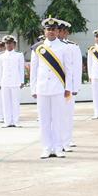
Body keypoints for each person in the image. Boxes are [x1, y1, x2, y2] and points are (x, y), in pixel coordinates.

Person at [31, 19, 71, 158]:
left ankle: (58, 147)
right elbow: (34, 70)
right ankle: (47, 148)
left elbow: (68, 69)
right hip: (42, 88)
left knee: (58, 119)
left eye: (53, 29)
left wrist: (68, 88)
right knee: (44, 120)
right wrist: (33, 89)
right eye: (48, 29)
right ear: (44, 31)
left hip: (58, 88)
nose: (51, 31)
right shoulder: (37, 48)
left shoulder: (64, 47)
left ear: (57, 31)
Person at [57, 21, 83, 150]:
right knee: (55, 115)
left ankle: (67, 140)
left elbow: (77, 68)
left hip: (68, 87)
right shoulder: (50, 47)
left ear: (66, 32)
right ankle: (57, 141)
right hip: (55, 87)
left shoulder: (72, 47)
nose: (60, 33)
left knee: (67, 114)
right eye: (58, 30)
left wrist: (75, 87)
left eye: (62, 31)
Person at [0, 35, 24, 127]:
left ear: (14, 44)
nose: (8, 45)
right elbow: (0, 70)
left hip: (15, 81)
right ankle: (7, 121)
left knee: (15, 102)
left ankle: (16, 121)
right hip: (5, 81)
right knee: (6, 102)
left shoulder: (19, 55)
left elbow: (21, 69)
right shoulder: (1, 56)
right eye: (7, 43)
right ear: (5, 44)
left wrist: (22, 81)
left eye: (10, 43)